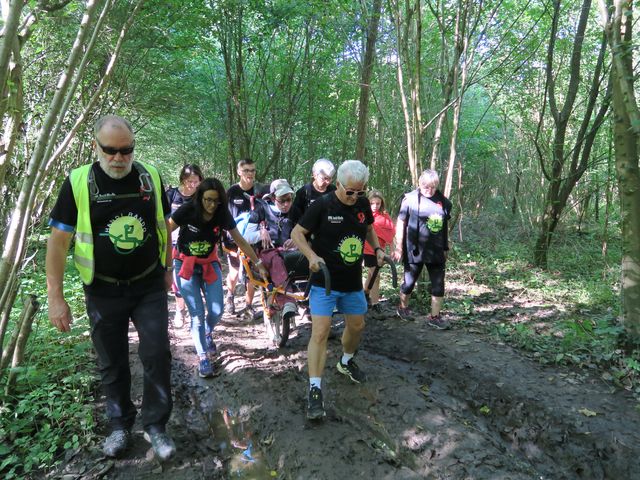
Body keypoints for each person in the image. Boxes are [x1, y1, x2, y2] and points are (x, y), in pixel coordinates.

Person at [46, 115, 176, 460]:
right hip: (102, 290)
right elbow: (57, 243)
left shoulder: (150, 176)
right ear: (96, 147)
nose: (118, 158)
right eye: (110, 151)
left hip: (148, 284)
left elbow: (163, 225)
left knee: (157, 353)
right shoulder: (78, 182)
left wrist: (167, 268)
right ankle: (120, 426)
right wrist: (55, 298)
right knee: (112, 361)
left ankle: (156, 427)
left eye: (126, 150)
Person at [291, 160, 386, 420]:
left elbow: (368, 228)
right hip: (325, 280)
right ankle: (314, 388)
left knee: (357, 326)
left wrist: (376, 248)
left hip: (352, 281)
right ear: (339, 184)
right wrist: (311, 256)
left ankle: (345, 362)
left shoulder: (363, 204)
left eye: (361, 191)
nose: (355, 197)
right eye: (350, 191)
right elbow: (297, 232)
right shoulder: (322, 205)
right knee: (320, 332)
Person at [169, 178, 268, 377]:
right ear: (200, 198)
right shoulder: (188, 210)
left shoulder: (221, 213)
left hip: (209, 263)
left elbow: (239, 239)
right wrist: (162, 262)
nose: (211, 205)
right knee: (196, 314)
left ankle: (206, 331)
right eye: (208, 200)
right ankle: (203, 357)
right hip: (185, 263)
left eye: (216, 201)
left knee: (217, 310)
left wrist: (258, 263)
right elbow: (164, 230)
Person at [392, 169, 452, 329]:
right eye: (425, 185)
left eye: (432, 186)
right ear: (419, 183)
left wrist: (446, 246)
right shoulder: (410, 199)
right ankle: (403, 308)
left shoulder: (443, 202)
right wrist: (398, 247)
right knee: (409, 283)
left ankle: (435, 316)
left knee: (438, 284)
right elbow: (401, 223)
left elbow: (445, 225)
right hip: (414, 249)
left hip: (436, 250)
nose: (429, 189)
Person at [165, 164, 203, 328]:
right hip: (173, 244)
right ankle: (181, 310)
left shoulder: (202, 198)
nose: (192, 185)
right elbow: (162, 218)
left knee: (194, 280)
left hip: (196, 244)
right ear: (182, 180)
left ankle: (195, 314)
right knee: (177, 281)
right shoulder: (171, 195)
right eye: (189, 181)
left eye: (195, 181)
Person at [225, 158, 260, 316]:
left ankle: (248, 305)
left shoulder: (260, 190)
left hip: (253, 239)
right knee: (234, 272)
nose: (250, 174)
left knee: (252, 273)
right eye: (246, 170)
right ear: (239, 172)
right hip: (233, 239)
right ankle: (230, 295)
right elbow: (224, 216)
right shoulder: (231, 192)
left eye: (252, 170)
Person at [362, 190, 395, 315]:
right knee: (376, 275)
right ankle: (375, 304)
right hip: (367, 249)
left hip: (380, 250)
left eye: (378, 203)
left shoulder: (385, 216)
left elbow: (390, 233)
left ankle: (365, 294)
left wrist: (392, 249)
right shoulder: (363, 215)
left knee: (372, 275)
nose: (375, 206)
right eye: (372, 203)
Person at [290, 158, 336, 225]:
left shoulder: (333, 190)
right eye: (324, 178)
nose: (327, 182)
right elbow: (295, 217)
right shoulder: (304, 192)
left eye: (330, 178)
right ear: (315, 175)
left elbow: (339, 215)